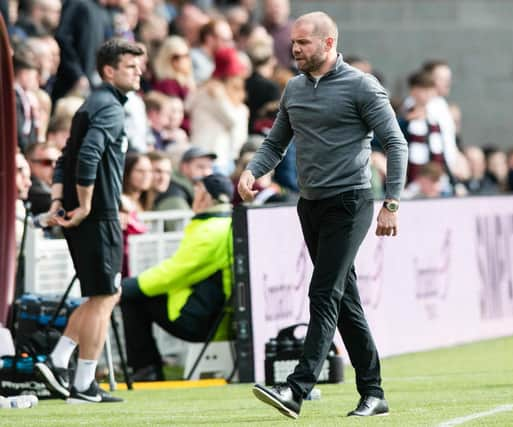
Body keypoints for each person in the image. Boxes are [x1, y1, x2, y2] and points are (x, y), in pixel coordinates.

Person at [238, 11, 408, 419]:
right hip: (310, 204)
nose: (294, 48)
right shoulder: (294, 88)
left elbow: (396, 145)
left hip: (350, 202)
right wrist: (251, 170)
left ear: (329, 43)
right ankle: (374, 393)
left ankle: (297, 389)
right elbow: (276, 142)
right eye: (293, 42)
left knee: (323, 293)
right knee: (344, 301)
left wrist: (391, 203)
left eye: (303, 43)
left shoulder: (362, 87)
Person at [35, 38, 144, 403]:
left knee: (101, 295)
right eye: (131, 66)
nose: (139, 71)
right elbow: (86, 158)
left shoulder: (90, 104)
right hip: (98, 216)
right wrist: (82, 204)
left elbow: (66, 157)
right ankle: (79, 381)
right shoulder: (109, 107)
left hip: (88, 214)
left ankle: (61, 361)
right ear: (109, 70)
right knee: (105, 295)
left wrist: (56, 201)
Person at [119, 173, 234, 381]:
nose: (193, 196)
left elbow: (173, 273)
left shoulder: (210, 231)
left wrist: (126, 286)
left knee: (132, 298)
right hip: (214, 315)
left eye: (197, 190)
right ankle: (148, 368)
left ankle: (146, 369)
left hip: (200, 320)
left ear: (206, 197)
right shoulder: (223, 224)